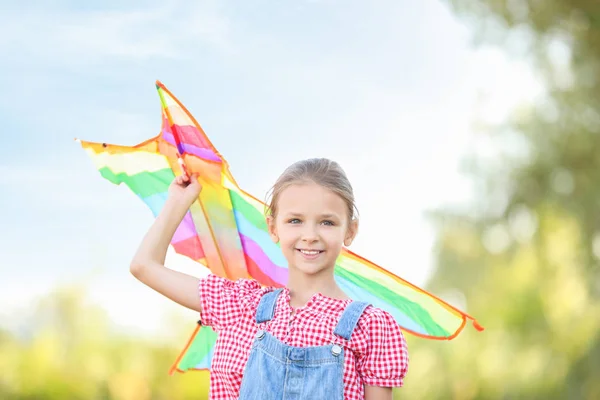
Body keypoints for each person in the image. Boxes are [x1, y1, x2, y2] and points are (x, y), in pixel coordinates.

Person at [130, 158, 409, 400]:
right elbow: (144, 266)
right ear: (273, 227)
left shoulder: (371, 326)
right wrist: (178, 202)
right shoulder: (239, 305)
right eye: (295, 220)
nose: (310, 234)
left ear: (350, 230)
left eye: (327, 222)